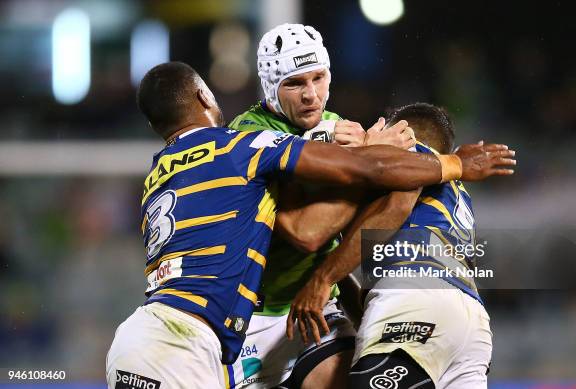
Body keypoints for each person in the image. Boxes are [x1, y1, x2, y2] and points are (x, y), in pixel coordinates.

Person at [105, 62, 514, 389]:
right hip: (185, 342)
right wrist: (455, 163)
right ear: (203, 96)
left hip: (150, 336)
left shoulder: (155, 177)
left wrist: (328, 284)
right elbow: (359, 176)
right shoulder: (236, 145)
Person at [228, 23, 408, 389]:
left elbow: (344, 230)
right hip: (249, 318)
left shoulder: (338, 127)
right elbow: (304, 234)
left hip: (313, 312)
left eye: (319, 78)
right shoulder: (243, 134)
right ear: (270, 88)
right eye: (294, 83)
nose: (311, 94)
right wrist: (363, 160)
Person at [289, 103, 508, 388]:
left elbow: (399, 203)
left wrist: (323, 278)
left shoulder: (409, 157)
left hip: (416, 302)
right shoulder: (456, 195)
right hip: (471, 326)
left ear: (402, 133)